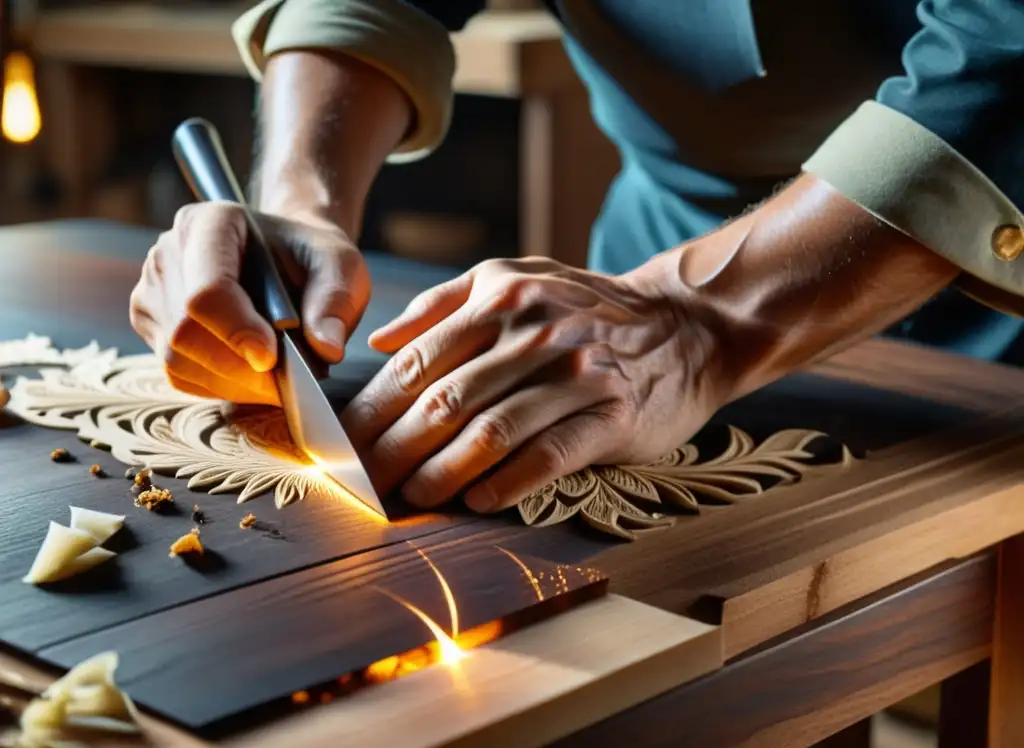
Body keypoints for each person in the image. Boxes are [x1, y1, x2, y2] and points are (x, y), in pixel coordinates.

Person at [130, 0, 1024, 514]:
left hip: (991, 300)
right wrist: (299, 204)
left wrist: (703, 317)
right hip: (651, 281)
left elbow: (1002, 47)